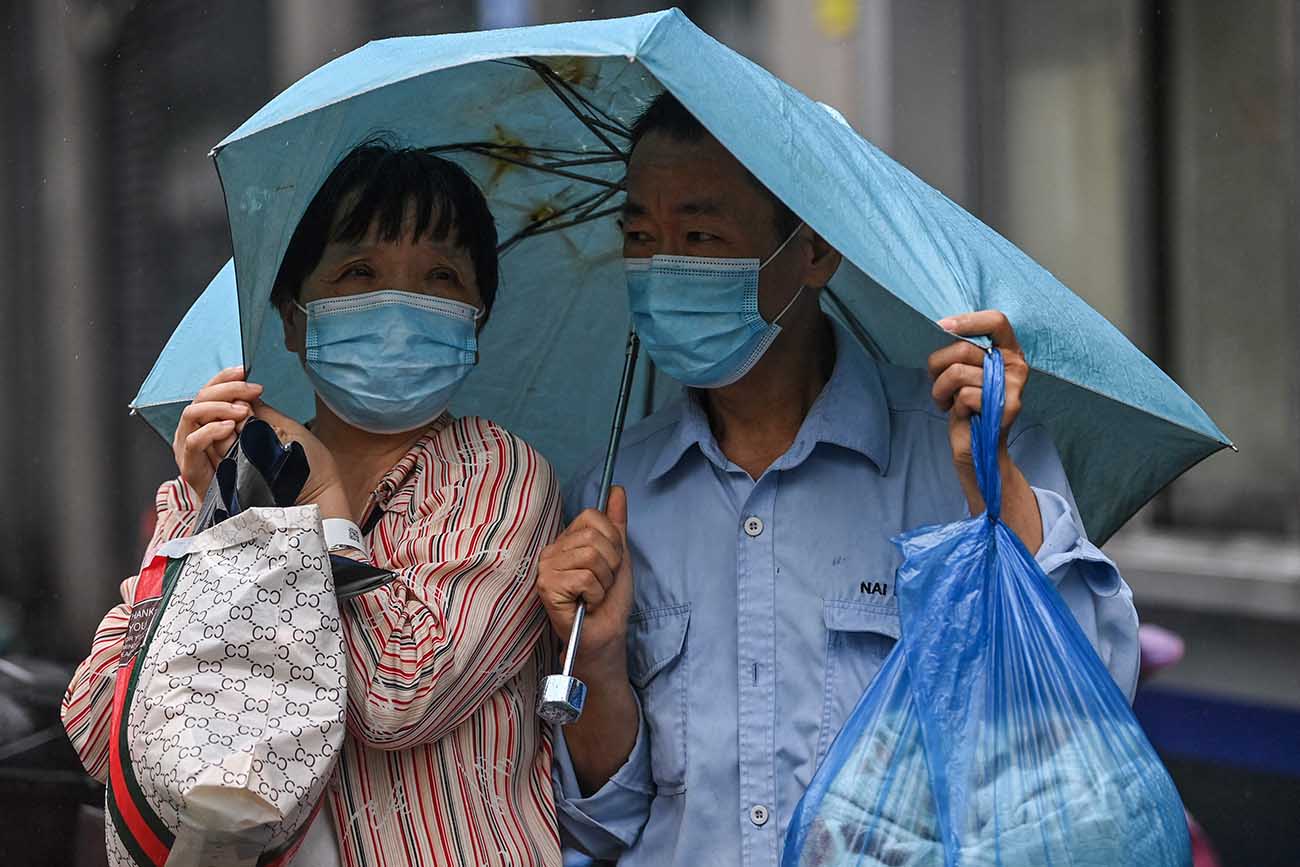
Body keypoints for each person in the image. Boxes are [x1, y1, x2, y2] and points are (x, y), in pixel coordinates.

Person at [535, 93, 1140, 866]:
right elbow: (602, 827)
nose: (662, 271)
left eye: (698, 235)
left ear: (813, 250)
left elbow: (1089, 700)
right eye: (640, 238)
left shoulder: (956, 451)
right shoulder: (612, 491)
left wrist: (995, 488)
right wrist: (596, 656)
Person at [63, 143, 565, 866]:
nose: (398, 304)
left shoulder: (499, 476)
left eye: (441, 277)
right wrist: (208, 525)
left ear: (475, 323)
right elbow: (97, 720)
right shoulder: (229, 480)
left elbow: (399, 694)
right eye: (359, 271)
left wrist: (319, 505)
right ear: (294, 319)